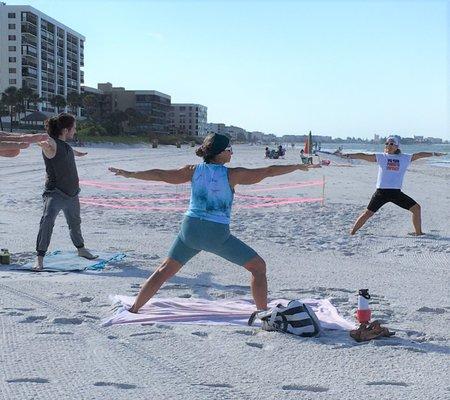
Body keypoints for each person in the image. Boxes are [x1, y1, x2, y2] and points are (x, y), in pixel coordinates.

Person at [109, 133, 321, 313]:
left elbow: (160, 175)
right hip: (215, 234)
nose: (231, 153)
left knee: (163, 270)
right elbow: (268, 171)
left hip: (189, 229)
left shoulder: (191, 170)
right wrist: (297, 167)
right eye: (229, 149)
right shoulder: (232, 174)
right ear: (219, 152)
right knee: (258, 267)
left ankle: (134, 309)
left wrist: (129, 174)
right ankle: (263, 313)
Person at [341, 136, 446, 236]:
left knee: (416, 208)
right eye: (387, 143)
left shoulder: (404, 158)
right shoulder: (381, 157)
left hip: (396, 193)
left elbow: (419, 155)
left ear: (397, 147)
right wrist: (348, 155)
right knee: (368, 213)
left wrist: (434, 153)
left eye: (391, 144)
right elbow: (363, 155)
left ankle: (418, 233)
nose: (388, 145)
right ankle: (352, 232)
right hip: (381, 192)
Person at [34, 113, 97, 271]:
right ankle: (39, 258)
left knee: (75, 223)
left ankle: (81, 249)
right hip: (55, 193)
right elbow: (47, 144)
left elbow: (69, 150)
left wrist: (78, 153)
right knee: (47, 222)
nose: (75, 131)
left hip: (72, 194)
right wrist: (42, 143)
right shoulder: (52, 144)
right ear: (65, 130)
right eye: (74, 128)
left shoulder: (66, 146)